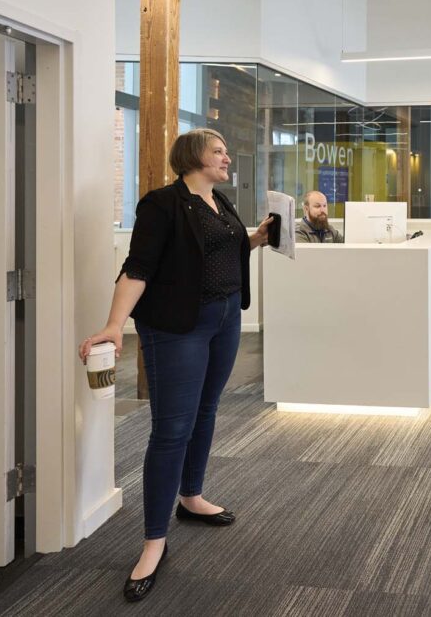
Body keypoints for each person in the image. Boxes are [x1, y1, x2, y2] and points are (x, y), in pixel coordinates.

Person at [79, 128, 274, 603]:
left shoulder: (219, 202)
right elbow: (138, 267)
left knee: (206, 412)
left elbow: (219, 252)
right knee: (171, 429)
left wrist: (257, 238)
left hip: (225, 317)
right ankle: (153, 542)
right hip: (177, 328)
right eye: (218, 150)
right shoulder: (161, 204)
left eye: (226, 150)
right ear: (192, 157)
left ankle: (191, 496)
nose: (227, 157)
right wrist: (112, 324)